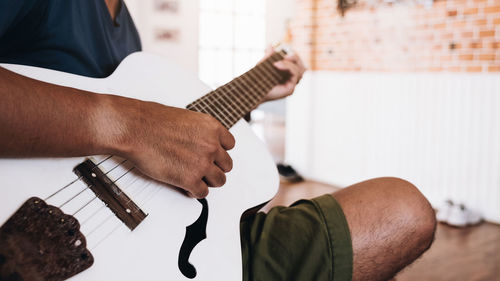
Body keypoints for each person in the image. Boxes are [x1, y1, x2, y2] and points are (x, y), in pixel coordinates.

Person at [0, 1, 436, 280]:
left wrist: (256, 88)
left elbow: (163, 136)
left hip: (171, 239)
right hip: (35, 221)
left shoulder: (125, 27)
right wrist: (132, 127)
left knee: (402, 210)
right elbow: (140, 129)